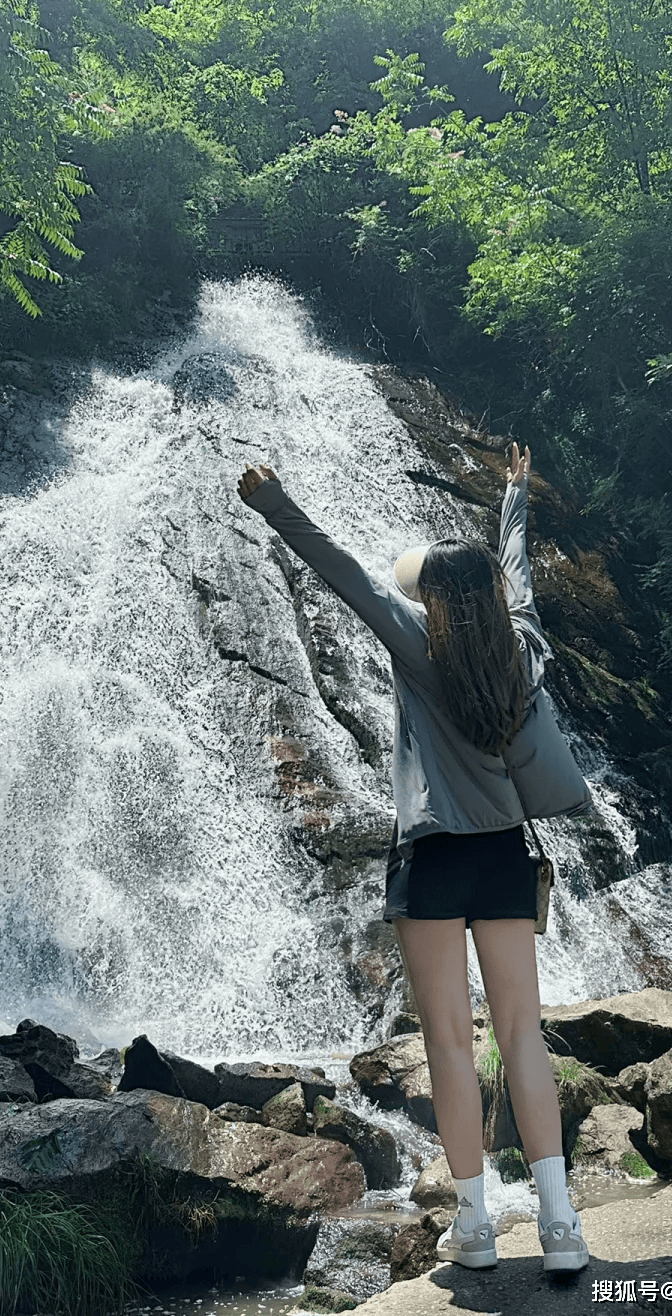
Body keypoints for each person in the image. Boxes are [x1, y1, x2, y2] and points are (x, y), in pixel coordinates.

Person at [237, 443, 593, 1275]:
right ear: (494, 601)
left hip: (433, 861)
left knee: (448, 1045)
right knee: (523, 1040)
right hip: (506, 857)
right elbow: (517, 568)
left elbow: (346, 574)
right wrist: (512, 494)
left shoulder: (417, 648)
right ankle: (561, 1225)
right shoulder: (525, 647)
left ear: (434, 603)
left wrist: (275, 503)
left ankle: (473, 1228)